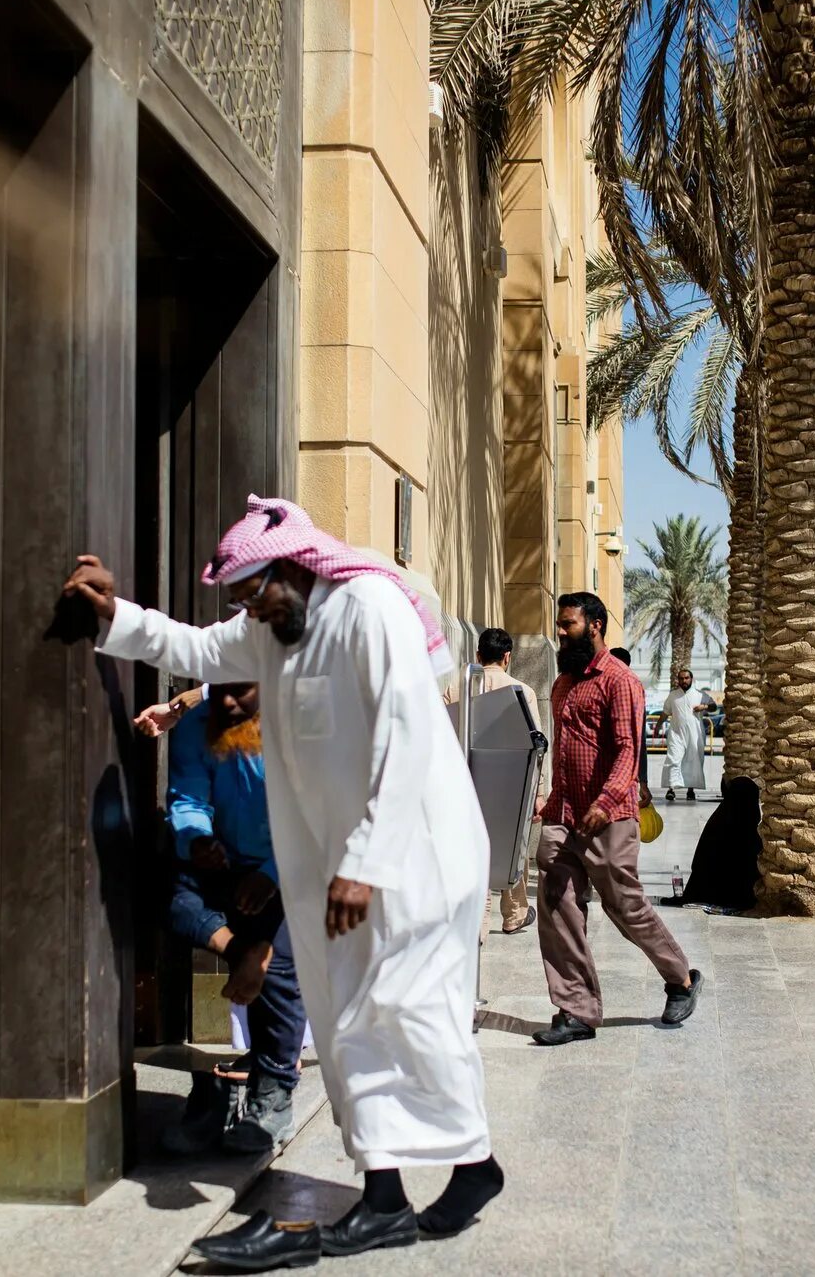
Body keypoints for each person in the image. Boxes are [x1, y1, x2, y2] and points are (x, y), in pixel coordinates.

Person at [61, 495, 501, 1268]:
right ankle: (391, 1194)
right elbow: (192, 645)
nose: (248, 610)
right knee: (343, 1021)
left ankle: (468, 1164)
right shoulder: (269, 631)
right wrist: (113, 615)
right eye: (240, 600)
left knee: (404, 1007)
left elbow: (402, 734)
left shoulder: (368, 609)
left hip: (418, 857)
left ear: (298, 568)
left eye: (255, 592)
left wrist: (366, 861)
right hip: (344, 868)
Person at [532, 591, 702, 1046]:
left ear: (595, 626)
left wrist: (604, 803)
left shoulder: (620, 680)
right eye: (560, 624)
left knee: (623, 904)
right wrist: (549, 802)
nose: (560, 633)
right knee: (556, 901)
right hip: (565, 815)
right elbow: (565, 753)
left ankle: (681, 978)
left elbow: (630, 749)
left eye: (568, 625)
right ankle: (576, 1011)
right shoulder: (564, 683)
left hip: (609, 816)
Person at [161, 682, 307, 1155]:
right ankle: (243, 951)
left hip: (287, 867)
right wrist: (196, 839)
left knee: (281, 967)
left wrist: (270, 874)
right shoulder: (197, 728)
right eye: (219, 689)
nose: (228, 702)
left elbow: (312, 818)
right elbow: (187, 797)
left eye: (241, 691)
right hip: (221, 860)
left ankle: (274, 1093)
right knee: (170, 897)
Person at [446, 627, 536, 936]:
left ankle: (478, 923)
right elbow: (535, 748)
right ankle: (513, 914)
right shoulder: (522, 691)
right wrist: (538, 794)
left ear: (478, 655)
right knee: (512, 846)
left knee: (472, 847)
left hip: (463, 783)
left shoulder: (456, 688)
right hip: (509, 784)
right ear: (507, 657)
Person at [662, 777, 762, 911]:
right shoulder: (749, 823)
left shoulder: (719, 819)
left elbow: (699, 862)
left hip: (705, 890)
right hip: (739, 895)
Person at [660, 668, 709, 802]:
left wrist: (703, 707)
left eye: (686, 678)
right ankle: (671, 789)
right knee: (674, 759)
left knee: (693, 761)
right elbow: (665, 712)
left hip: (695, 734)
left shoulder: (700, 695)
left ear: (691, 679)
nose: (684, 681)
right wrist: (658, 725)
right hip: (676, 734)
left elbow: (714, 706)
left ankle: (690, 790)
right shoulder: (673, 695)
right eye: (681, 678)